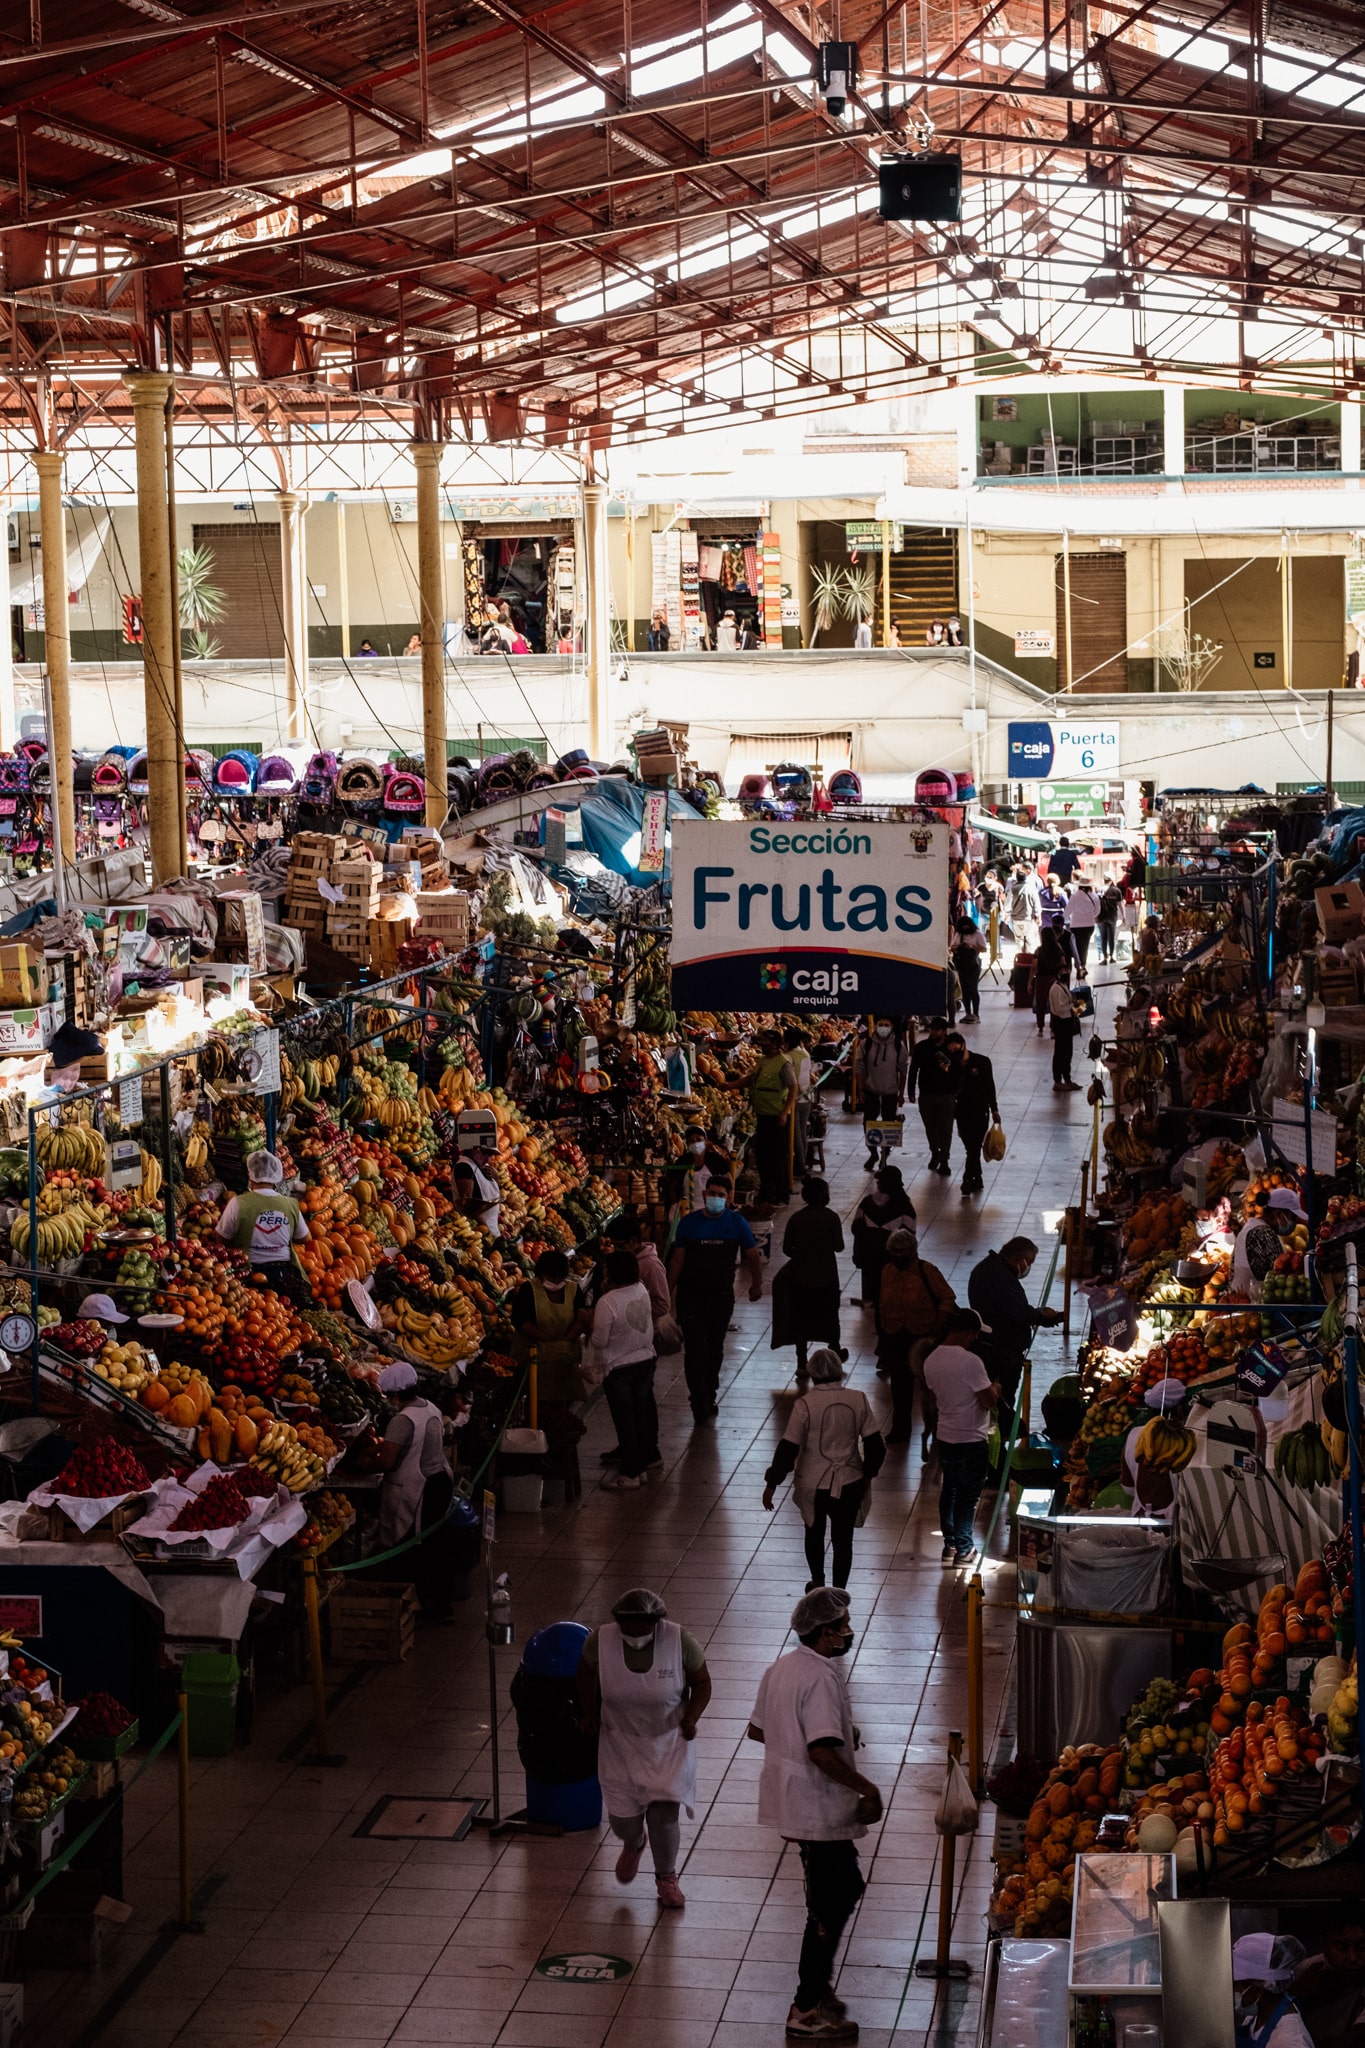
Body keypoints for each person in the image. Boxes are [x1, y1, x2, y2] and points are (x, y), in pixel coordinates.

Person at [748, 1588, 882, 2044]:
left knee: (839, 1890)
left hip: (795, 1802)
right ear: (824, 1635)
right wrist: (866, 1787)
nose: (847, 1634)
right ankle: (805, 2008)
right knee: (831, 1900)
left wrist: (841, 1729)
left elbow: (756, 1728)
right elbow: (821, 1750)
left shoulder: (782, 1667)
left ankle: (819, 1986)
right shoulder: (822, 1678)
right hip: (817, 1805)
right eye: (841, 1628)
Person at [577, 1589, 712, 1913]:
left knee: (664, 1816)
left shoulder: (680, 1641)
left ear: (656, 1622)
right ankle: (634, 1841)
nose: (635, 1636)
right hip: (619, 1739)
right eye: (629, 1629)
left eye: (642, 1629)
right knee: (625, 1820)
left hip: (668, 1741)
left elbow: (703, 1682)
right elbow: (584, 1672)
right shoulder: (600, 1641)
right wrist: (587, 1712)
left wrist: (691, 1717)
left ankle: (667, 1879)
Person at [763, 1351, 884, 1591]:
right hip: (850, 1481)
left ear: (812, 1372)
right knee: (843, 1541)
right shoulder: (858, 1399)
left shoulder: (805, 1404)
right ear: (839, 1370)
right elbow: (876, 1446)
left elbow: (789, 1447)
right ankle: (839, 1590)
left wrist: (772, 1483)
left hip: (813, 1483)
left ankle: (817, 1580)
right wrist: (867, 1475)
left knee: (813, 1532)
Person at [668, 1176, 764, 1425]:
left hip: (721, 1297)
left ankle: (708, 1391)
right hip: (691, 1297)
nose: (716, 1198)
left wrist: (756, 1284)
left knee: (715, 1348)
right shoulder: (688, 1224)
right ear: (703, 1195)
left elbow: (753, 1255)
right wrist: (669, 1290)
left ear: (729, 1198)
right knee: (695, 1350)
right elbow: (678, 1259)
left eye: (721, 1194)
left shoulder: (737, 1223)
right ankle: (698, 1398)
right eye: (712, 1193)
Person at [375, 1360, 456, 1617]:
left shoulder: (402, 1421)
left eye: (389, 1397)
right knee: (436, 1544)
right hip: (441, 1481)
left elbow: (388, 1461)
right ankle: (442, 1604)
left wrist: (368, 1460)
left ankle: (419, 1604)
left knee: (415, 1548)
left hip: (420, 1489)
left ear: (396, 1395)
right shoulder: (430, 1408)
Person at [923, 1309, 999, 1566]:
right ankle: (965, 1549)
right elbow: (988, 1401)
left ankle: (950, 1544)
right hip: (971, 1439)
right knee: (968, 1496)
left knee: (950, 1491)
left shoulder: (931, 1360)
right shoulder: (970, 1362)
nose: (975, 1339)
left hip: (945, 1437)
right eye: (975, 1334)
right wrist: (997, 1387)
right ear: (967, 1332)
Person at [968, 1238, 1062, 1443]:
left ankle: (996, 1441)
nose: (1028, 1267)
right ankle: (997, 1446)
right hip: (999, 1352)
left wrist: (1039, 1317)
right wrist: (1040, 1316)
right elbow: (1016, 1312)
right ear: (1018, 1258)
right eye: (1029, 1261)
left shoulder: (991, 1269)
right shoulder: (996, 1277)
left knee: (998, 1402)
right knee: (1002, 1401)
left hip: (996, 1347)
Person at [584, 1250, 657, 1490]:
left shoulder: (608, 1301)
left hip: (620, 1367)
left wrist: (590, 1324)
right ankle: (642, 1467)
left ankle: (631, 1473)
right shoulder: (641, 1289)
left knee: (625, 1420)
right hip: (645, 1360)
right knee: (640, 1417)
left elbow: (599, 1341)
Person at [876, 1221, 954, 1447]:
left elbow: (947, 1298)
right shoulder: (887, 1271)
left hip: (923, 1336)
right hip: (896, 1335)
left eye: (903, 1251)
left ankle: (941, 1431)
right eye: (894, 1252)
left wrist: (936, 1328)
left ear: (913, 1251)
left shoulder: (927, 1271)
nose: (898, 1256)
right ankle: (900, 1429)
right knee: (899, 1385)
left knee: (930, 1387)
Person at [772, 1179, 846, 1380]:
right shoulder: (831, 1218)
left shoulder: (796, 1219)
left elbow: (787, 1249)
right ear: (823, 1195)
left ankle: (802, 1362)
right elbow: (839, 1246)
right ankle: (835, 1354)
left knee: (801, 1320)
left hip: (800, 1277)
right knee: (831, 1317)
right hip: (827, 1276)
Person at [215, 1150, 310, 1299]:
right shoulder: (291, 1204)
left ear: (250, 1175)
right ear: (275, 1177)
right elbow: (304, 1238)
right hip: (284, 1276)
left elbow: (221, 1239)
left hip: (247, 1276)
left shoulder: (237, 1203)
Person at [509, 1248, 589, 1405]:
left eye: (560, 1277)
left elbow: (581, 1318)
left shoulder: (574, 1290)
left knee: (561, 1403)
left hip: (564, 1357)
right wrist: (544, 1337)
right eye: (552, 1277)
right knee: (537, 1403)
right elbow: (520, 1320)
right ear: (541, 1273)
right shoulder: (529, 1289)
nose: (556, 1281)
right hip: (535, 1356)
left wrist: (565, 1341)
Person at [1291, 1911, 1365, 2048]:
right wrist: (1297, 1993)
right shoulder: (1306, 1971)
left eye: (1361, 1947)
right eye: (1341, 1948)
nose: (1352, 1958)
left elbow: (1357, 2039)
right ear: (1324, 1946)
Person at [850, 1167, 915, 1322]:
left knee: (870, 1281)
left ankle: (869, 1299)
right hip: (891, 1257)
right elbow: (910, 1234)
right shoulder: (904, 1205)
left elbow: (856, 1228)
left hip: (868, 1255)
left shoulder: (867, 1203)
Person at [1232, 1933, 1313, 2048]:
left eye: (1236, 1985)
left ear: (1259, 1987)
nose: (1232, 1990)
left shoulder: (1290, 2042)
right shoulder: (1257, 2015)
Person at [1231, 1187, 1307, 1302]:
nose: (1295, 1222)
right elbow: (1280, 1279)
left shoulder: (1254, 1226)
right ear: (1279, 1214)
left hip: (1246, 1300)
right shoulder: (1262, 1233)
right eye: (1293, 1217)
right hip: (1251, 1305)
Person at [748, 1029, 798, 1205]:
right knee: (763, 1157)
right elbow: (751, 1079)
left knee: (777, 1158)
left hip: (776, 1118)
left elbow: (793, 1088)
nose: (762, 1044)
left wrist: (784, 1113)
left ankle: (780, 1194)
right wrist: (729, 1085)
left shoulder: (783, 1063)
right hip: (763, 1116)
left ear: (776, 1043)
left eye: (765, 1041)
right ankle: (767, 1192)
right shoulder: (762, 1061)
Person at [946, 1031, 999, 1196]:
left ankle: (967, 1179)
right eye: (951, 1051)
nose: (955, 1054)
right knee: (970, 1146)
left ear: (963, 1045)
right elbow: (949, 1087)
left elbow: (990, 1086)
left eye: (957, 1050)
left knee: (974, 1147)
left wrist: (994, 1109)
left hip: (980, 1110)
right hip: (961, 1112)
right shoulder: (951, 1065)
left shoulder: (982, 1062)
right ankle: (977, 1177)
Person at [907, 1015, 958, 1176]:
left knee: (946, 1129)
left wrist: (957, 1091)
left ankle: (944, 1159)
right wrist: (910, 1091)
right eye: (932, 1029)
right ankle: (935, 1150)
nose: (933, 1032)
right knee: (931, 1128)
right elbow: (914, 1069)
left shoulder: (952, 1048)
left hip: (946, 1095)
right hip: (927, 1095)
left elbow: (958, 1070)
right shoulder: (922, 1047)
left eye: (937, 1030)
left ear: (944, 1031)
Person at [855, 1017, 908, 1171]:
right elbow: (859, 1067)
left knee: (889, 1124)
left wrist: (901, 1093)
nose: (883, 1028)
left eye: (886, 1025)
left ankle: (884, 1154)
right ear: (875, 1026)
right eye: (880, 1025)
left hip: (890, 1091)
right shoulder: (867, 1044)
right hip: (871, 1090)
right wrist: (860, 1089)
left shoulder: (898, 1046)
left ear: (891, 1027)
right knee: (868, 1123)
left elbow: (903, 1069)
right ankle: (873, 1153)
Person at [1047, 955, 1081, 1090]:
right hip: (1061, 1023)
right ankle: (1058, 1081)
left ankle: (1067, 1078)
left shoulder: (1063, 986)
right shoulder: (1056, 989)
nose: (1065, 975)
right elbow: (1060, 1009)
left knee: (1067, 1052)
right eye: (1062, 973)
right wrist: (1072, 1005)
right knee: (1060, 1052)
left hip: (1066, 1022)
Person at [785, 1027, 815, 1176]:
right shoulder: (805, 1053)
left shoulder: (788, 1056)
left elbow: (791, 1081)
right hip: (807, 1098)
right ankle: (802, 1162)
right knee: (802, 1132)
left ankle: (800, 1166)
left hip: (795, 1099)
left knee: (795, 1134)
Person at [1032, 925, 1067, 1039]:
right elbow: (1063, 964)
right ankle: (1053, 1029)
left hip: (1041, 979)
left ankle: (1041, 1028)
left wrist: (1029, 981)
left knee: (1040, 1004)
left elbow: (1034, 967)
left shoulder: (1039, 950)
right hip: (1054, 979)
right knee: (1054, 1004)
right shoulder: (1058, 949)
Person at [952, 917, 987, 1021]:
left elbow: (984, 948)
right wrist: (959, 946)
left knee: (973, 989)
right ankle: (968, 1012)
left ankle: (976, 1013)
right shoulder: (959, 934)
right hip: (961, 964)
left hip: (973, 964)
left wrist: (971, 946)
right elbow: (952, 947)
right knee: (965, 990)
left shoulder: (977, 934)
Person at [1065, 877, 1100, 970]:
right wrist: (1090, 916)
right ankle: (1083, 965)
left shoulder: (1074, 896)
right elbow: (1097, 911)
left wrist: (1063, 919)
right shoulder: (1094, 896)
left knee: (1075, 945)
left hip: (1076, 924)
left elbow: (1068, 910)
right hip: (1089, 924)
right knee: (1085, 945)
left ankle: (1078, 964)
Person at [1009, 864, 1041, 954]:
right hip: (1028, 918)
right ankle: (1028, 958)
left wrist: (1006, 913)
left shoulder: (1013, 889)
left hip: (1016, 918)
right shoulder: (1031, 888)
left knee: (1019, 939)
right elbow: (1037, 903)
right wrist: (1038, 915)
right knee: (1029, 939)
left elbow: (1007, 904)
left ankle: (1021, 956)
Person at [1097, 880, 1122, 964]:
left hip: (1101, 916)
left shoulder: (1099, 890)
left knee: (1103, 937)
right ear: (1111, 880)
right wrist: (1124, 916)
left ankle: (1105, 957)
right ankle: (1111, 957)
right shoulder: (1116, 891)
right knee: (1112, 937)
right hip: (1112, 916)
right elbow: (1120, 904)